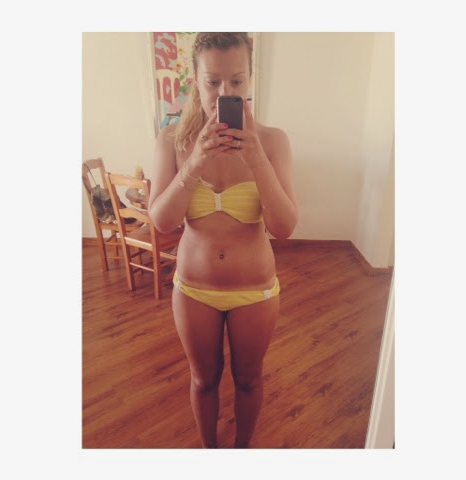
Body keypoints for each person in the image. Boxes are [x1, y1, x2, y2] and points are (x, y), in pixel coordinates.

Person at [149, 32, 298, 448]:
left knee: (249, 381)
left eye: (236, 81)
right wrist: (195, 162)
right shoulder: (171, 141)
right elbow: (162, 223)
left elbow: (284, 227)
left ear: (250, 79)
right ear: (195, 82)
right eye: (212, 82)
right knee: (202, 381)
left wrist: (256, 159)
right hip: (193, 290)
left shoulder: (273, 141)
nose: (224, 93)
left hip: (255, 291)